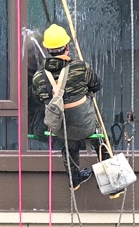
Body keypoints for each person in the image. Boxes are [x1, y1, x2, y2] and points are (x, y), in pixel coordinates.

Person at [31, 24, 109, 190]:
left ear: (46, 50)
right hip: (86, 125)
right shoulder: (81, 68)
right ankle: (112, 178)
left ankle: (74, 179)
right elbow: (97, 85)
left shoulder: (38, 77)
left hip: (60, 128)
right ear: (67, 47)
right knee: (100, 139)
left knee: (68, 144)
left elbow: (37, 98)